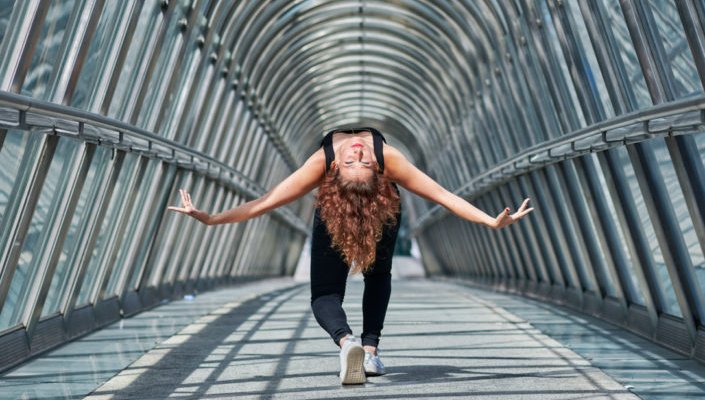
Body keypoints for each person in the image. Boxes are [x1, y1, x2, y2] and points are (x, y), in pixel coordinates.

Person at [169, 127, 533, 384]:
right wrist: (490, 221)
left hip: (379, 211)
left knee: (326, 293)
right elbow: (443, 195)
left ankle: (349, 343)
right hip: (343, 211)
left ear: (333, 172)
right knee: (377, 276)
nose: (358, 153)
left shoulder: (325, 161)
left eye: (358, 162)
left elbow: (264, 202)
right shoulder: (385, 155)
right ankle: (368, 350)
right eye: (357, 161)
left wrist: (212, 219)